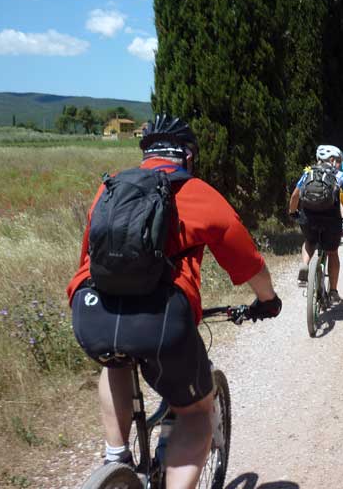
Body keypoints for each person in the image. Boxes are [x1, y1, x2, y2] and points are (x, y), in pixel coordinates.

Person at [66, 114, 282, 489]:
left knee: (115, 360)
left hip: (92, 314)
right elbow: (250, 263)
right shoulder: (198, 193)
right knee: (195, 413)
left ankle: (116, 458)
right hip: (161, 322)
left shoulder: (111, 188)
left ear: (146, 154)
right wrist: (268, 301)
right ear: (188, 156)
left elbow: (88, 259)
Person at [288, 145, 343, 304]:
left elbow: (295, 196)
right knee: (333, 252)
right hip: (331, 220)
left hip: (309, 218)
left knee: (309, 241)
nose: (339, 164)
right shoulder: (339, 175)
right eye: (339, 161)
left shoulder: (308, 172)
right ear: (333, 160)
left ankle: (305, 264)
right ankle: (333, 291)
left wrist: (293, 212)